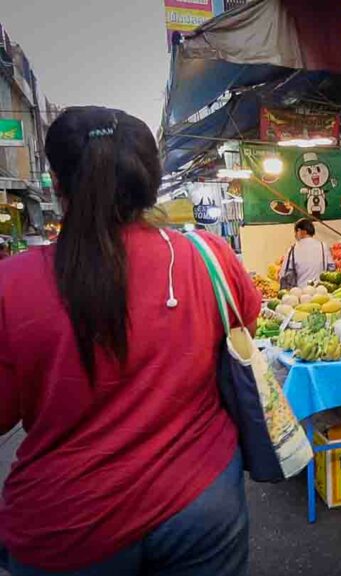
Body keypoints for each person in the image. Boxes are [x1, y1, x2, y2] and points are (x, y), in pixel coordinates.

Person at [0, 107, 258, 575]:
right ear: (151, 181)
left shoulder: (10, 283)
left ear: (57, 185)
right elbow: (242, 339)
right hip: (201, 503)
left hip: (66, 524)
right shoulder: (210, 257)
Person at [278, 218, 328, 287]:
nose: (295, 236)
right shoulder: (323, 247)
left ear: (299, 231)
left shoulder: (293, 249)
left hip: (300, 293)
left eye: (295, 233)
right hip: (320, 291)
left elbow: (283, 274)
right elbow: (331, 269)